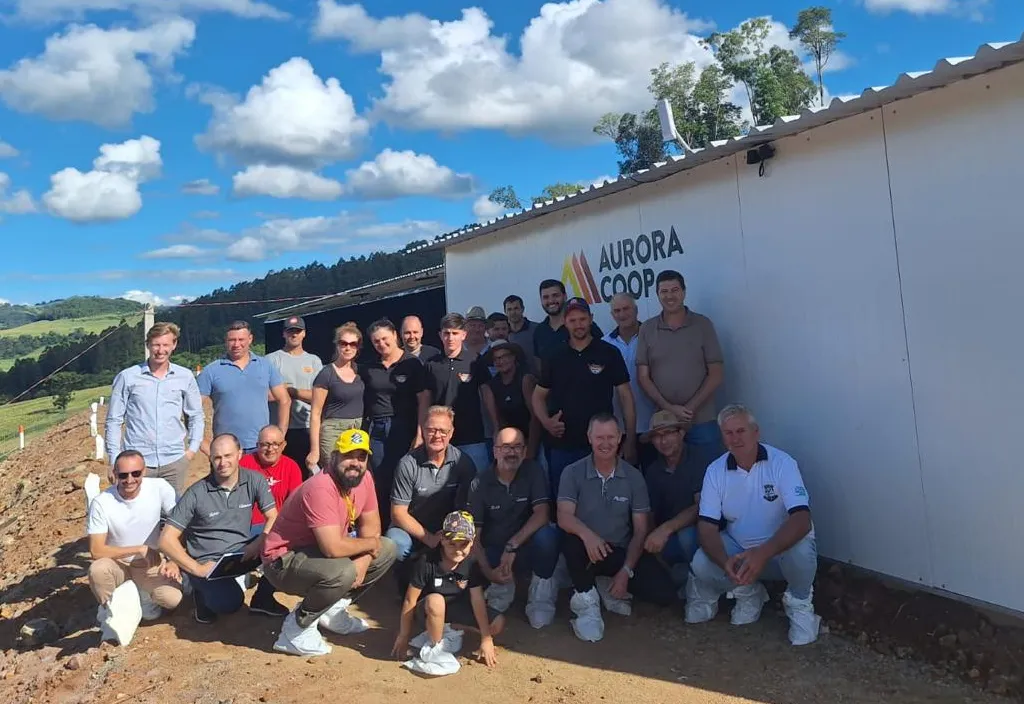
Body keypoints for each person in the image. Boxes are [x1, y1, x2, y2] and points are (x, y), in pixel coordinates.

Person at [686, 404, 821, 646]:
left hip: (780, 553)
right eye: (729, 433)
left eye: (741, 431)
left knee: (801, 550)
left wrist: (763, 553)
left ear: (756, 432)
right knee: (702, 562)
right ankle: (749, 594)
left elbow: (802, 520)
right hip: (741, 551)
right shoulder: (715, 471)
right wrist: (724, 562)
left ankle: (801, 606)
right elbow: (706, 527)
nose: (735, 438)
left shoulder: (782, 463)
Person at [262, 429, 398, 657]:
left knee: (387, 548)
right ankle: (296, 629)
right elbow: (332, 548)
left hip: (316, 553)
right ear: (334, 456)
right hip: (282, 561)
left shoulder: (364, 479)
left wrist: (366, 557)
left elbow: (372, 528)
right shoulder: (321, 487)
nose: (355, 463)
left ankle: (332, 610)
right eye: (348, 455)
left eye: (361, 457)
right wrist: (368, 546)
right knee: (343, 571)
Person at [556, 414, 674, 643]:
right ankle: (586, 604)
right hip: (586, 549)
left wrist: (626, 571)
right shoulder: (572, 472)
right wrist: (589, 537)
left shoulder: (633, 476)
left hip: (618, 550)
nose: (605, 443)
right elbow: (563, 517)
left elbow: (641, 531)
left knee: (664, 593)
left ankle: (606, 583)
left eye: (611, 437)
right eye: (599, 437)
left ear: (620, 438)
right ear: (589, 438)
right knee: (571, 541)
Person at [159, 433, 279, 624]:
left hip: (242, 549)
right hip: (209, 561)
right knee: (230, 603)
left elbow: (273, 516)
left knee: (283, 546)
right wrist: (197, 569)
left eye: (228, 456)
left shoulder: (255, 480)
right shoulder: (196, 492)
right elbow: (166, 539)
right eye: (217, 457)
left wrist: (259, 543)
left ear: (239, 454)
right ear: (211, 459)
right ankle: (201, 594)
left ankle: (263, 599)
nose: (223, 462)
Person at [532, 297, 636, 496]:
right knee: (565, 500)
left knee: (603, 500)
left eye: (582, 319)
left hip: (601, 445)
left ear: (591, 319)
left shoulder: (609, 352)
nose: (578, 325)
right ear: (565, 322)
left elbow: (626, 397)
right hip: (563, 445)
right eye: (572, 320)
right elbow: (538, 396)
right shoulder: (553, 355)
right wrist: (546, 422)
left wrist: (629, 439)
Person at [468, 427, 559, 628]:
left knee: (547, 537)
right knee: (471, 555)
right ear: (495, 451)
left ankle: (540, 596)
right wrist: (488, 572)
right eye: (506, 447)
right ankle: (500, 584)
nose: (512, 452)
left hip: (524, 546)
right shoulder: (480, 482)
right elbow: (474, 535)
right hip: (494, 551)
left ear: (525, 451)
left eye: (518, 447)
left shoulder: (533, 470)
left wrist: (513, 545)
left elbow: (542, 513)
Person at [392, 511, 503, 672]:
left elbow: (477, 599)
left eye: (463, 544)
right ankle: (436, 646)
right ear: (442, 539)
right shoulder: (426, 561)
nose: (458, 550)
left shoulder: (471, 563)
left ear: (472, 542)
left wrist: (486, 638)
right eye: (452, 543)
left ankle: (454, 628)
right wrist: (404, 635)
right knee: (436, 601)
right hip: (429, 610)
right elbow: (410, 600)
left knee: (498, 623)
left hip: (457, 608)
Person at [105, 322, 204, 496]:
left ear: (174, 345)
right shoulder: (127, 377)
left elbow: (195, 415)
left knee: (172, 516)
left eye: (166, 345)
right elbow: (114, 420)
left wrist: (192, 449)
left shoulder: (185, 376)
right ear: (148, 345)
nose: (160, 350)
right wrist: (114, 459)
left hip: (174, 461)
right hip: (138, 463)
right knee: (139, 515)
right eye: (156, 344)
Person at [87, 450, 183, 625]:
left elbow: (180, 523)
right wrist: (139, 548)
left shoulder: (159, 487)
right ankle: (111, 608)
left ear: (144, 471)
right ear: (115, 474)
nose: (130, 480)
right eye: (123, 475)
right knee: (98, 570)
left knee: (173, 599)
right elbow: (96, 550)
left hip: (150, 564)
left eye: (136, 473)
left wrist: (173, 559)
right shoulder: (102, 502)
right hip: (119, 564)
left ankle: (143, 594)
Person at [637, 270, 724, 453]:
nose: (669, 296)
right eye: (664, 291)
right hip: (664, 423)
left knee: (708, 475)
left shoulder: (703, 325)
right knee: (670, 477)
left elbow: (716, 373)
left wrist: (690, 408)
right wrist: (669, 408)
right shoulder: (647, 328)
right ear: (658, 295)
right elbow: (643, 377)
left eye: (674, 290)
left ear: (684, 292)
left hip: (701, 420)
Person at [387, 406, 476, 564]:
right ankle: (401, 578)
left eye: (443, 431)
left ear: (451, 433)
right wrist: (430, 539)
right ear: (422, 430)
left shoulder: (463, 463)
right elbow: (398, 513)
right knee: (396, 543)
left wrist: (450, 535)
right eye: (431, 430)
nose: (437, 436)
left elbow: (468, 508)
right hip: (411, 529)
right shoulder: (407, 464)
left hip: (447, 528)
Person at [363, 318, 431, 525]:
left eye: (385, 339)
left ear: (395, 335)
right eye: (376, 341)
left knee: (405, 478)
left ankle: (407, 527)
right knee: (382, 480)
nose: (381, 344)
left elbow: (424, 399)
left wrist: (420, 434)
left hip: (403, 426)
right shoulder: (369, 367)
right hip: (377, 429)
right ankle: (384, 529)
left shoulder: (412, 363)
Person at [640, 411, 710, 591]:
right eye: (657, 436)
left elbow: (701, 506)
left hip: (701, 533)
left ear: (681, 433)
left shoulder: (699, 459)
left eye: (669, 433)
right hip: (669, 539)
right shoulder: (654, 471)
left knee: (687, 537)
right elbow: (650, 514)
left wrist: (666, 528)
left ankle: (704, 581)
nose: (663, 441)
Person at [198, 321, 290, 455]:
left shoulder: (265, 366)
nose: (236, 344)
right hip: (226, 448)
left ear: (250, 339)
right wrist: (200, 441)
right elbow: (193, 407)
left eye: (241, 339)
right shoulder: (211, 370)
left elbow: (285, 400)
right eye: (232, 340)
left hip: (261, 446)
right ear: (226, 341)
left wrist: (280, 435)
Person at [239, 425, 303, 614]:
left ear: (283, 445)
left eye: (275, 444)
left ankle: (263, 597)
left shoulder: (291, 467)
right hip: (246, 525)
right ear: (257, 445)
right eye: (265, 444)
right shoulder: (244, 464)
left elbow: (294, 505)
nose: (270, 449)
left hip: (278, 526)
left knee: (291, 548)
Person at [420, 313, 491, 472]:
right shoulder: (431, 364)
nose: (450, 337)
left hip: (473, 436)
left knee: (479, 484)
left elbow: (487, 395)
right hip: (440, 438)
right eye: (446, 333)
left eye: (455, 333)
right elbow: (425, 401)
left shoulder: (475, 361)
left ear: (463, 335)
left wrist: (497, 425)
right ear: (440, 335)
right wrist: (421, 432)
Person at [265, 315, 323, 477]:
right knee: (280, 476)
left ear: (304, 333)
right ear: (283, 334)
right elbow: (264, 394)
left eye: (297, 331)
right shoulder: (271, 360)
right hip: (278, 430)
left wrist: (290, 391)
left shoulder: (313, 361)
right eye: (290, 331)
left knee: (306, 475)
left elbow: (319, 396)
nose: (294, 334)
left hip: (307, 427)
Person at [604, 293, 657, 470]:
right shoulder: (605, 344)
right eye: (617, 310)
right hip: (619, 429)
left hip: (652, 424)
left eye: (626, 309)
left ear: (635, 310)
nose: (622, 314)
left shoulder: (653, 338)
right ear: (612, 315)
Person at [308, 323, 365, 473]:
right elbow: (315, 413)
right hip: (333, 430)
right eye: (343, 343)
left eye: (353, 344)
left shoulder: (361, 371)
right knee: (333, 472)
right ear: (337, 345)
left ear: (358, 347)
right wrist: (314, 450)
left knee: (353, 472)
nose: (348, 348)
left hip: (356, 431)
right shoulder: (326, 373)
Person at [480, 341, 540, 459]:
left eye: (505, 356)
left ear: (513, 357)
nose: (501, 361)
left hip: (533, 438)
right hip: (509, 442)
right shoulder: (489, 387)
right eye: (496, 358)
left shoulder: (526, 380)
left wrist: (531, 450)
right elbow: (497, 424)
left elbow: (535, 417)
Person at [532, 279, 603, 365]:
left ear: (565, 296)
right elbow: (539, 364)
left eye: (555, 295)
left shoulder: (585, 327)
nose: (551, 301)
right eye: (546, 297)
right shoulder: (539, 331)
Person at [504, 295, 536, 360]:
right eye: (509, 309)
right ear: (505, 312)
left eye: (516, 308)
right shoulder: (503, 333)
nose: (513, 312)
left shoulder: (537, 329)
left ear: (522, 309)